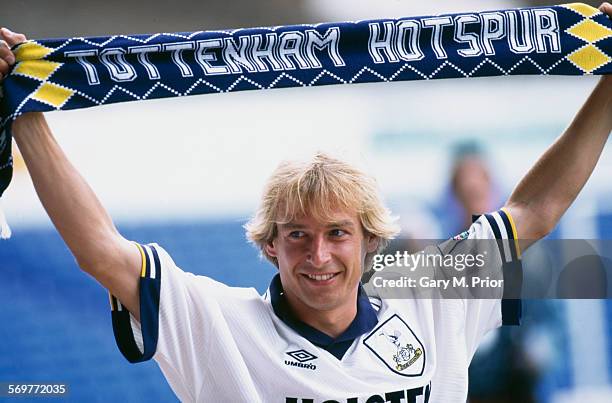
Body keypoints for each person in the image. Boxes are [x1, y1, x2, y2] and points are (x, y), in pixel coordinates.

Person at [1, 3, 611, 401]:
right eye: (297, 234)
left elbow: (535, 211)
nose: (318, 254)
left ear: (372, 239)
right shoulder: (221, 326)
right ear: (268, 245)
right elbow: (102, 253)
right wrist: (27, 114)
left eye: (338, 233)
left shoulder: (431, 295)